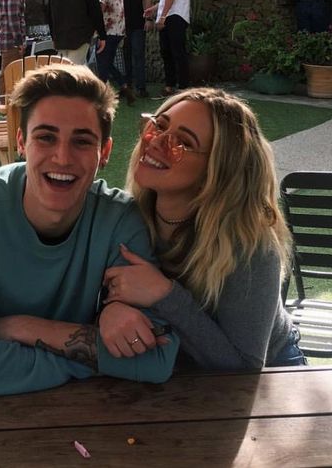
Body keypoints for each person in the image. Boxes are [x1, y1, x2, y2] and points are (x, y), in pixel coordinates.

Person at [0, 64, 179, 395]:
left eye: (82, 142)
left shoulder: (120, 221)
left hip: (70, 421)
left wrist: (20, 327)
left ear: (105, 153)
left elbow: (156, 359)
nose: (62, 157)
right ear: (21, 142)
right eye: (46, 137)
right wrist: (95, 352)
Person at [101, 88, 305, 369]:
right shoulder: (127, 216)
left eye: (181, 142)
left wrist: (164, 293)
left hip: (272, 375)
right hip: (174, 374)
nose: (156, 142)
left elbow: (245, 368)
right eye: (158, 125)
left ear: (216, 171)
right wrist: (108, 310)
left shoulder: (249, 244)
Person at [143, 0, 191, 96]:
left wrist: (163, 16)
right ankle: (170, 85)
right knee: (167, 52)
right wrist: (155, 9)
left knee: (177, 52)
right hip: (169, 14)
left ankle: (183, 86)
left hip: (175, 15)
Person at [97, 0, 134, 104]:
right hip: (119, 31)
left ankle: (102, 96)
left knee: (102, 65)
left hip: (107, 32)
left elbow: (100, 12)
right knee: (108, 63)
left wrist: (97, 32)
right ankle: (124, 86)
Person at [116, 0, 151, 99]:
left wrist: (148, 18)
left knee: (138, 54)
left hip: (137, 24)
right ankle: (127, 86)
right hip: (121, 27)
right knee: (125, 56)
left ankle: (141, 87)